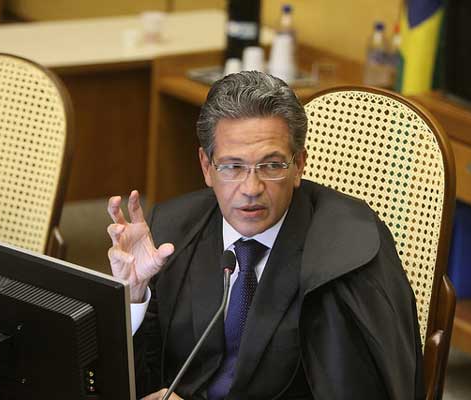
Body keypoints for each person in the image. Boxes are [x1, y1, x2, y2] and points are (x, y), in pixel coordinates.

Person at [107, 71, 425, 400]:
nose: (251, 188)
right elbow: (138, 383)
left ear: (299, 165)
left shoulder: (348, 251)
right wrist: (131, 298)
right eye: (232, 167)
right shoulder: (172, 232)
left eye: (272, 166)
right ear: (206, 167)